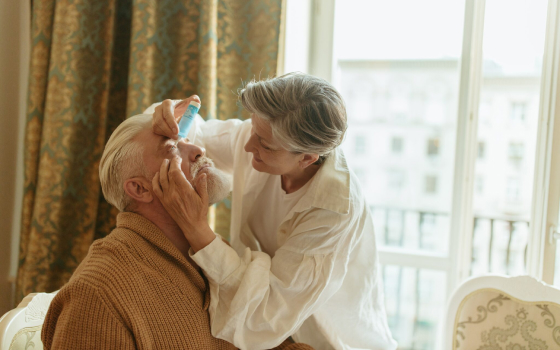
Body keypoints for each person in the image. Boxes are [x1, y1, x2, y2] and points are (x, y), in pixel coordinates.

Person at [148, 73, 397, 350]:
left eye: (264, 145)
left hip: (325, 340)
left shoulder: (334, 211)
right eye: (254, 129)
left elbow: (267, 314)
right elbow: (197, 135)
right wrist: (167, 115)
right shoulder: (261, 136)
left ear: (306, 158)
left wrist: (197, 229)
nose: (247, 145)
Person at [41, 114, 312, 350]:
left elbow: (266, 341)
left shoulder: (212, 254)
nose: (198, 149)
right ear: (140, 189)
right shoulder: (98, 294)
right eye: (173, 147)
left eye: (187, 140)